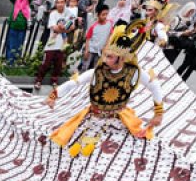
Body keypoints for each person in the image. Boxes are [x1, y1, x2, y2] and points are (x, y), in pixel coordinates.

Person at [46, 20, 164, 156]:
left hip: (120, 121)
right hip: (93, 119)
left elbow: (154, 86)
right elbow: (74, 83)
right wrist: (53, 96)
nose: (105, 59)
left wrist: (158, 113)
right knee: (70, 151)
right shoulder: (97, 72)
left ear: (122, 59)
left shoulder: (135, 72)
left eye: (110, 56)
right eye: (106, 55)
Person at [33, 0, 74, 92]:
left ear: (65, 2)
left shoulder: (69, 12)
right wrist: (64, 28)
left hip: (62, 44)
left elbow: (72, 26)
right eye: (58, 2)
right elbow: (54, 27)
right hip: (51, 43)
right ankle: (38, 80)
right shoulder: (53, 14)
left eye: (62, 2)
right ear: (55, 3)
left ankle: (54, 81)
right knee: (45, 64)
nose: (60, 4)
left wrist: (63, 28)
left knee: (58, 65)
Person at [6, 0, 32, 65]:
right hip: (13, 26)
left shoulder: (28, 0)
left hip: (22, 27)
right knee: (11, 44)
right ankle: (10, 62)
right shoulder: (16, 0)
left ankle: (16, 62)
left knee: (19, 45)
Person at [82, 4, 112, 71]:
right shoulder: (93, 26)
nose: (105, 16)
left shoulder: (110, 23)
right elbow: (88, 39)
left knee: (96, 68)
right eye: (103, 14)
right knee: (85, 67)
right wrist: (87, 50)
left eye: (106, 14)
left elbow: (110, 35)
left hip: (100, 51)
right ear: (97, 15)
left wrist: (106, 46)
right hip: (91, 50)